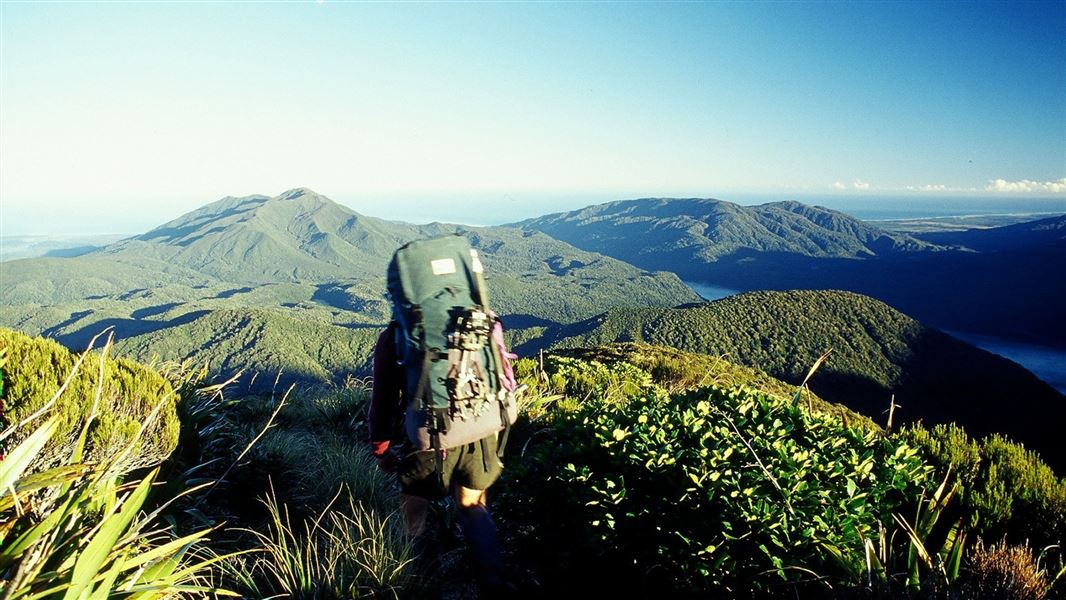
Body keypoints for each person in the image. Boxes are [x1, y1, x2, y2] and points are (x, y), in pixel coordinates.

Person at [368, 320, 508, 594]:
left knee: (415, 519)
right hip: (478, 434)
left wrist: (381, 451)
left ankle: (424, 585)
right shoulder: (483, 322)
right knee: (472, 508)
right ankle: (493, 585)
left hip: (426, 440)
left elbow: (382, 403)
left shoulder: (396, 334)